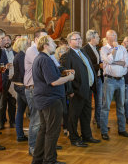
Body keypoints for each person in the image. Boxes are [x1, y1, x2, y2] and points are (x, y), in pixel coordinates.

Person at [31, 35, 74, 164]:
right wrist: (69, 77)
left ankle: (38, 159)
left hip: (45, 99)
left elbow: (51, 76)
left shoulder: (42, 58)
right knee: (52, 132)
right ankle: (49, 160)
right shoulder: (45, 60)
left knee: (44, 130)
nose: (55, 45)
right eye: (52, 43)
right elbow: (53, 82)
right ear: (45, 46)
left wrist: (64, 72)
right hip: (50, 100)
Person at [24, 29, 60, 156]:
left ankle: (44, 149)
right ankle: (33, 148)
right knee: (36, 122)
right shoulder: (34, 52)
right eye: (45, 38)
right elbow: (48, 72)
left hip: (41, 90)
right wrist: (67, 77)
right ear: (37, 40)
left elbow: (55, 65)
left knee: (44, 124)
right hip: (36, 89)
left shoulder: (45, 56)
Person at [61, 31, 100, 147]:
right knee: (74, 116)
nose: (79, 41)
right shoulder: (66, 56)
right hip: (76, 91)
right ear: (69, 42)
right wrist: (70, 91)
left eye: (79, 39)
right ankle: (74, 138)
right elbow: (66, 75)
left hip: (87, 89)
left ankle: (87, 136)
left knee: (86, 114)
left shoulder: (83, 51)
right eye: (76, 39)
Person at [100, 30, 128, 140]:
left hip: (121, 80)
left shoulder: (122, 48)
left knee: (121, 106)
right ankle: (104, 131)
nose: (115, 37)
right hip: (110, 81)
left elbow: (127, 62)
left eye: (116, 35)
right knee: (106, 107)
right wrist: (115, 49)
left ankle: (122, 129)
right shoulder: (104, 49)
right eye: (113, 36)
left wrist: (113, 62)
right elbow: (108, 60)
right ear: (107, 37)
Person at [83, 30, 103, 128]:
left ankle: (98, 122)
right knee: (88, 103)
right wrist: (99, 66)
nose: (99, 39)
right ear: (92, 38)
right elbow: (87, 66)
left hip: (99, 78)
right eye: (98, 37)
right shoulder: (85, 49)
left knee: (99, 102)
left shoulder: (97, 48)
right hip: (90, 79)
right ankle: (86, 125)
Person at [11, 37, 29, 142]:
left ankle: (20, 135)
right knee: (34, 110)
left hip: (19, 85)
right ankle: (33, 136)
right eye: (27, 43)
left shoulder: (20, 55)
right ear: (23, 45)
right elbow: (24, 73)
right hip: (22, 86)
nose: (29, 45)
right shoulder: (22, 56)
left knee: (20, 110)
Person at [0, 35, 17, 130]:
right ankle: (1, 122)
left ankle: (12, 121)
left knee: (12, 103)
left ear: (11, 41)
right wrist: (5, 67)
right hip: (4, 80)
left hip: (13, 80)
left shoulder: (16, 53)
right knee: (2, 103)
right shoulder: (0, 53)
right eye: (4, 40)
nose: (6, 41)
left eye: (8, 39)